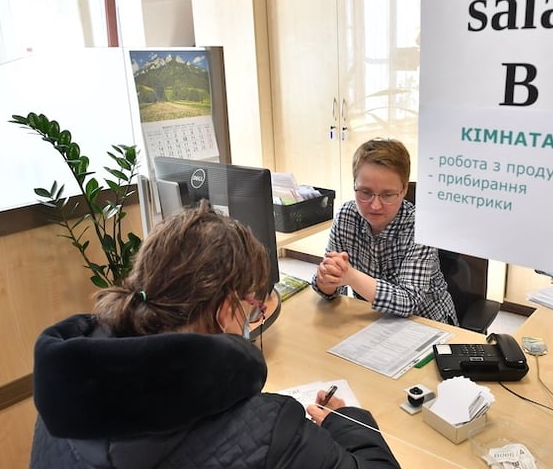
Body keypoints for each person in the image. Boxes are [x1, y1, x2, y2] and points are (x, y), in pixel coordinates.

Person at [29, 201, 400, 469]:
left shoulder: (63, 400)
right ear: (226, 311)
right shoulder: (271, 431)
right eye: (253, 308)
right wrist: (350, 420)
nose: (253, 318)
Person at [311, 138, 457, 325]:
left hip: (426, 322)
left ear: (404, 190)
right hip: (372, 320)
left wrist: (351, 276)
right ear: (354, 185)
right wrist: (327, 280)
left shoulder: (420, 225)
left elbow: (409, 301)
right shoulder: (346, 216)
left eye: (387, 195)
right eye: (365, 192)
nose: (375, 205)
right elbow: (330, 290)